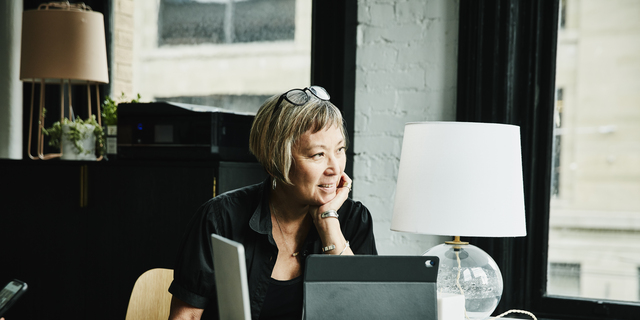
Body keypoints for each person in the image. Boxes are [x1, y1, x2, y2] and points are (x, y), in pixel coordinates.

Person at [168, 86, 377, 320]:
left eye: (340, 150)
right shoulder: (219, 218)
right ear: (277, 160)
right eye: (318, 154)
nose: (335, 168)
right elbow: (186, 316)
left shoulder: (354, 219)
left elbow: (363, 310)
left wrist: (329, 224)